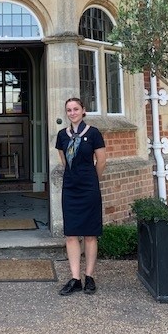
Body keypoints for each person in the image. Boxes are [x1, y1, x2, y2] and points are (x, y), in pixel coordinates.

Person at [55, 97, 106, 295]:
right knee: (71, 234)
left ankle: (89, 277)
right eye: (69, 110)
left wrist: (94, 180)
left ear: (83, 110)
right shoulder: (62, 135)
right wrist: (74, 178)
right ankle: (75, 278)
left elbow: (101, 161)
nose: (72, 112)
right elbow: (64, 162)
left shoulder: (93, 133)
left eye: (76, 109)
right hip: (71, 188)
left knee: (90, 235)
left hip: (89, 187)